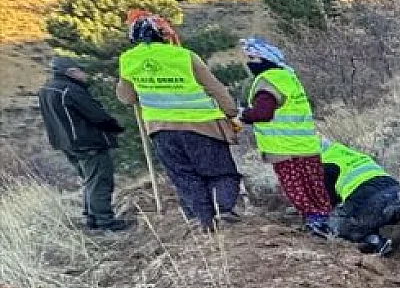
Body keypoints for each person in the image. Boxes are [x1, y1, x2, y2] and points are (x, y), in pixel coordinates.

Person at [114, 13, 244, 231]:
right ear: (162, 35)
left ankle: (203, 221)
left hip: (162, 131)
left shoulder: (128, 60)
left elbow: (127, 97)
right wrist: (231, 112)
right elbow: (215, 88)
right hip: (202, 127)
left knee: (185, 177)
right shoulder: (184, 56)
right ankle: (224, 212)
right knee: (221, 173)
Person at [234, 37, 333, 236]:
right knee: (316, 188)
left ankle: (315, 225)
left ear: (263, 60)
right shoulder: (288, 78)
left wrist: (242, 114)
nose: (249, 63)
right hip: (307, 147)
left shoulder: (267, 82)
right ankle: (327, 221)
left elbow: (263, 113)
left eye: (252, 58)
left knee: (298, 191)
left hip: (285, 151)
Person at [37, 56, 131, 232]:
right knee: (100, 181)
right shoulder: (71, 90)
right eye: (80, 70)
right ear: (71, 72)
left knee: (89, 180)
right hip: (87, 143)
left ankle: (92, 218)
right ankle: (106, 222)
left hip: (67, 144)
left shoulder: (46, 89)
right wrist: (115, 127)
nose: (84, 73)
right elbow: (96, 115)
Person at [318, 138, 400, 255]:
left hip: (369, 197)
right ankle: (393, 218)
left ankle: (376, 241)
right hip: (396, 191)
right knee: (367, 212)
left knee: (334, 225)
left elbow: (329, 204)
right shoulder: (344, 152)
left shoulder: (325, 165)